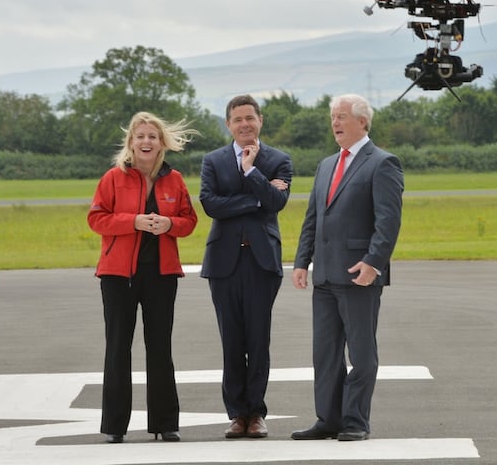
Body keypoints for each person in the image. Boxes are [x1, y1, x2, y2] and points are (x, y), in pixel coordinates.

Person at [291, 94, 404, 442]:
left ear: (363, 122)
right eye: (332, 117)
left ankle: (355, 421)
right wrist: (301, 262)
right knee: (324, 354)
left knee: (361, 352)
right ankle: (328, 418)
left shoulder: (382, 163)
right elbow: (313, 217)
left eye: (341, 117)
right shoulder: (326, 165)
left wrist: (373, 263)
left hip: (359, 275)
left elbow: (388, 222)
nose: (335, 123)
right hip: (324, 275)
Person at [87, 111, 200, 444]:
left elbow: (189, 221)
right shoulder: (112, 178)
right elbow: (96, 220)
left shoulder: (175, 180)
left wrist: (170, 225)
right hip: (118, 276)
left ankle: (166, 424)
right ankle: (114, 426)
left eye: (152, 136)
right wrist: (132, 221)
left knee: (160, 348)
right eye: (141, 136)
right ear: (131, 143)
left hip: (161, 275)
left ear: (161, 142)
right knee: (118, 348)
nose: (146, 142)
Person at [199, 95, 293, 439]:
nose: (244, 124)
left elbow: (277, 202)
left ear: (260, 120)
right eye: (237, 119)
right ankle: (236, 413)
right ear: (228, 125)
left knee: (258, 339)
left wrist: (252, 172)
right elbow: (210, 204)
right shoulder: (213, 160)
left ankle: (256, 413)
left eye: (249, 118)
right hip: (223, 263)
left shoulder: (279, 160)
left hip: (261, 263)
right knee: (231, 341)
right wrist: (257, 196)